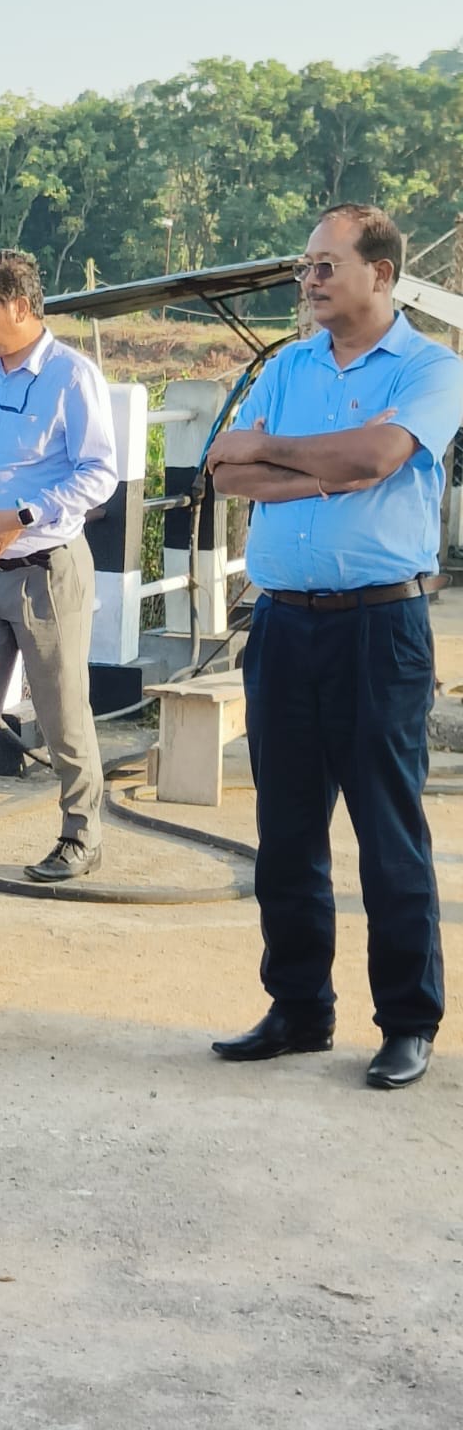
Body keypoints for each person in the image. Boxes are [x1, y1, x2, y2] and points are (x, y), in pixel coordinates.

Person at [207, 204, 463, 1090]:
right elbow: (226, 473)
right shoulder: (289, 365)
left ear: (381, 273)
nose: (309, 280)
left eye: (325, 264)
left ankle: (406, 1021)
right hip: (283, 623)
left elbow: (381, 456)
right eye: (305, 267)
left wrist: (281, 455)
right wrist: (325, 464)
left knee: (389, 831)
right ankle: (299, 1009)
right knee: (285, 829)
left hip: (378, 626)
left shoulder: (434, 368)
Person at [0, 249, 118, 882]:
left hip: (44, 572)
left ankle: (81, 836)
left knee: (63, 712)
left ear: (19, 306)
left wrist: (27, 515)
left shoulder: (72, 376)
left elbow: (100, 475)